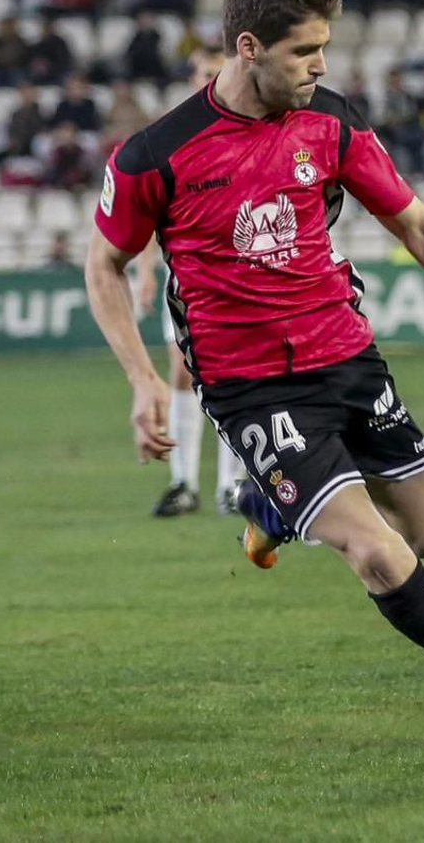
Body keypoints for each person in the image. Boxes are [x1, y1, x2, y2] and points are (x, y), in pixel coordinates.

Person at [84, 0, 424, 750]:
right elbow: (103, 265)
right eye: (304, 51)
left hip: (347, 356)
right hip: (248, 385)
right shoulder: (157, 154)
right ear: (247, 48)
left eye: (324, 48)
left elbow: (415, 224)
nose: (321, 65)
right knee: (378, 556)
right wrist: (143, 376)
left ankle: (273, 506)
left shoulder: (332, 121)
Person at [130, 49, 250, 518]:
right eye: (204, 73)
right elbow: (145, 215)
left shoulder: (246, 134)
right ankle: (183, 482)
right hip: (187, 283)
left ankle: (231, 484)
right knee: (182, 372)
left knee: (233, 378)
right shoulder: (171, 139)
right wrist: (143, 273)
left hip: (241, 282)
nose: (211, 80)